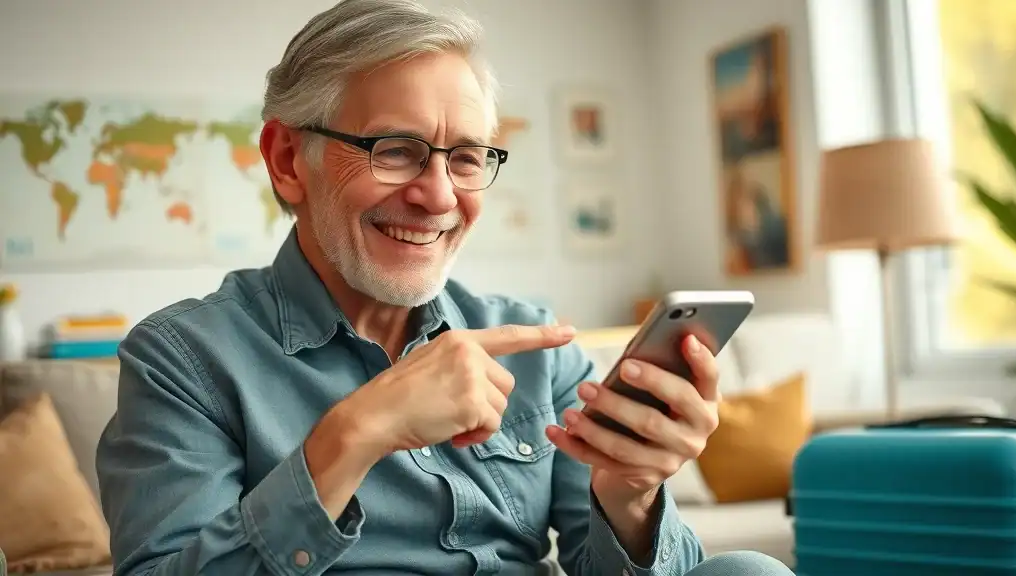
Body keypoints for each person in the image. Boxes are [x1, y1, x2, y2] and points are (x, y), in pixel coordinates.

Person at [95, 1, 796, 575]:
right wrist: (356, 431)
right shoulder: (182, 358)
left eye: (464, 157)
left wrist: (631, 495)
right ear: (287, 160)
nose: (438, 196)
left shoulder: (535, 343)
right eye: (394, 149)